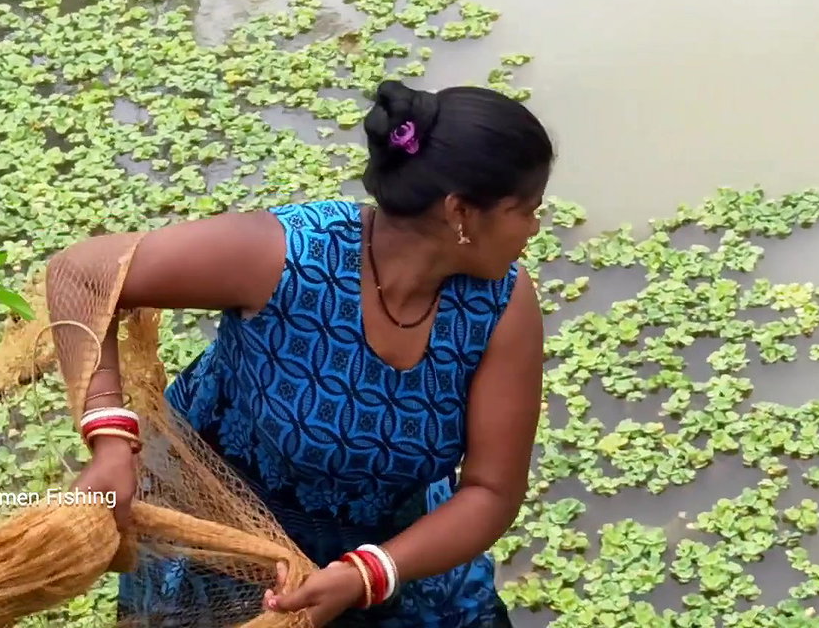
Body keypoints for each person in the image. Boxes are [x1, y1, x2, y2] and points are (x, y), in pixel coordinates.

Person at [50, 79, 554, 627]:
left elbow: (491, 490)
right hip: (226, 531)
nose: (534, 228)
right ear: (461, 213)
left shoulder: (502, 302)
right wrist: (109, 441)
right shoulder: (291, 258)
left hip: (399, 549)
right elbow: (83, 274)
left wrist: (367, 573)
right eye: (525, 210)